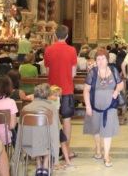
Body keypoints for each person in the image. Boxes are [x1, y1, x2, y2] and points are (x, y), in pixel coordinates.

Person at [83, 48, 124, 167]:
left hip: (110, 106)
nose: (100, 61)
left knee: (107, 131)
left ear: (107, 60)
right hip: (95, 106)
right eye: (98, 59)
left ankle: (106, 155)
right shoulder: (92, 73)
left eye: (103, 59)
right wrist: (88, 106)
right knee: (95, 129)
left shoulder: (113, 70)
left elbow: (120, 84)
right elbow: (86, 90)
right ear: (95, 61)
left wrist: (116, 91)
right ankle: (98, 147)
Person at [44, 24, 78, 161]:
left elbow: (47, 71)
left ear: (54, 35)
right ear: (67, 35)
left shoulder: (48, 50)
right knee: (66, 120)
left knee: (52, 120)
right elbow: (73, 73)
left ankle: (52, 149)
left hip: (52, 92)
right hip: (67, 89)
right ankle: (67, 151)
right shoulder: (72, 50)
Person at [14, 82, 62, 175]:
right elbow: (56, 129)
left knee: (35, 135)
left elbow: (20, 130)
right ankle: (45, 166)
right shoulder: (51, 108)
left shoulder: (25, 108)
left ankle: (38, 165)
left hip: (27, 142)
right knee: (48, 138)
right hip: (45, 142)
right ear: (48, 95)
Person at [48, 85, 77, 168]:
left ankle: (51, 161)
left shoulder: (47, 100)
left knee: (52, 143)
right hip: (55, 125)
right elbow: (56, 113)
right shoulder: (56, 101)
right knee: (63, 142)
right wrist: (59, 125)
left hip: (48, 125)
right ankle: (65, 161)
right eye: (58, 95)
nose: (59, 97)